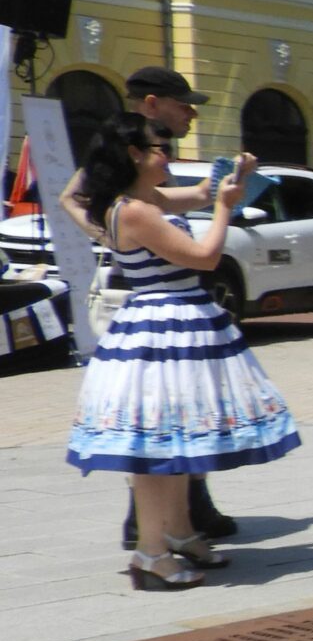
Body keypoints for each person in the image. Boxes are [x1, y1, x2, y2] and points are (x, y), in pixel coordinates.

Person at [64, 119, 298, 590]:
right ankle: (151, 552)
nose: (168, 154)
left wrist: (236, 177)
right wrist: (226, 209)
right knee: (157, 447)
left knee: (178, 440)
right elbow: (205, 256)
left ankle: (178, 531)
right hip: (164, 329)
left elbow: (203, 191)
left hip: (175, 327)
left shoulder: (144, 200)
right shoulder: (133, 211)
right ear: (133, 153)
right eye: (160, 147)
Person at [57, 67, 240, 550]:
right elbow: (73, 197)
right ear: (152, 104)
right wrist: (111, 238)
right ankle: (153, 533)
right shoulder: (121, 144)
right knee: (157, 423)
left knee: (177, 417)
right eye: (184, 105)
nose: (191, 114)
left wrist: (215, 191)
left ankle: (178, 523)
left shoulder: (144, 178)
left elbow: (169, 199)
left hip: (166, 299)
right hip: (149, 304)